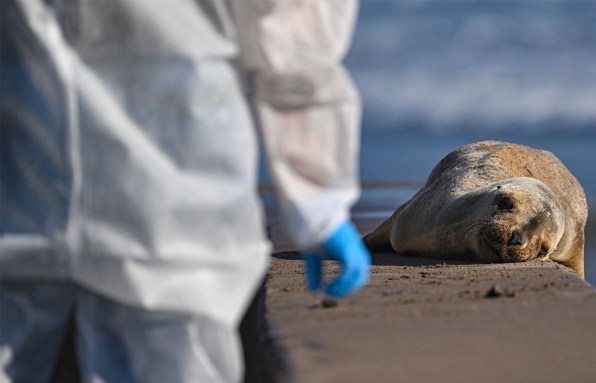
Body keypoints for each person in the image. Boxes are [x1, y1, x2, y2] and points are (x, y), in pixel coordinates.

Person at [0, 1, 370, 382]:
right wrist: (319, 197)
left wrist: (319, 202)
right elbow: (290, 37)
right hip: (173, 186)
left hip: (34, 173)